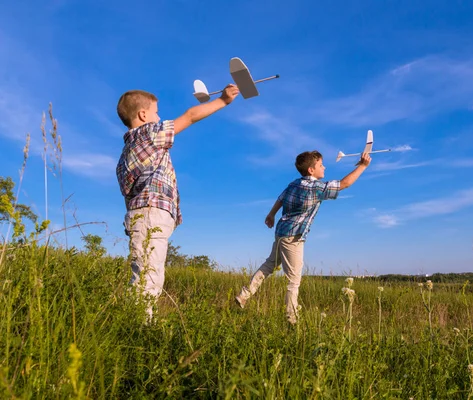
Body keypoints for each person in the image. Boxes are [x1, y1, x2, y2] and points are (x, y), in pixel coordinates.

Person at [116, 84, 239, 319]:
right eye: (156, 112)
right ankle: (138, 328)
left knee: (145, 274)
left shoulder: (125, 154)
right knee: (149, 279)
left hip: (139, 216)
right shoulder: (150, 133)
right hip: (151, 215)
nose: (159, 117)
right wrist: (223, 100)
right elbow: (190, 116)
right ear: (143, 115)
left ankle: (137, 322)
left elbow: (129, 194)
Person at [235, 150, 371, 324]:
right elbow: (344, 184)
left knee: (270, 264)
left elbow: (281, 198)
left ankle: (244, 295)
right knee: (294, 280)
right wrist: (363, 166)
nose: (324, 167)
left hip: (281, 233)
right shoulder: (316, 188)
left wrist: (271, 214)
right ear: (311, 170)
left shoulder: (294, 184)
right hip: (294, 237)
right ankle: (292, 319)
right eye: (321, 165)